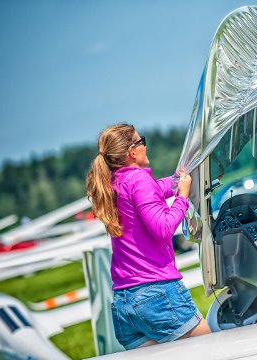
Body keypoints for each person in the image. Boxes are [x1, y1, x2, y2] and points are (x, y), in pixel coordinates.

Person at [86, 124, 210, 350]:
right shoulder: (139, 181)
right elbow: (162, 229)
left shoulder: (115, 183)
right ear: (132, 151)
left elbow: (152, 191)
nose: (145, 145)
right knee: (210, 347)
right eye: (141, 141)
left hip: (124, 303)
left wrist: (176, 182)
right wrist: (182, 196)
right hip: (156, 294)